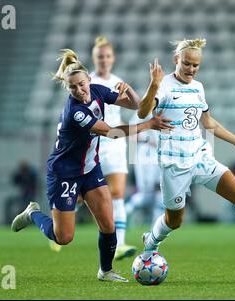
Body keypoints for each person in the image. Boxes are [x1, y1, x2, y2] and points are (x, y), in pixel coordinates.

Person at [11, 49, 173, 282]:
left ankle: (105, 271)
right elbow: (113, 133)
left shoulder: (98, 90)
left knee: (108, 224)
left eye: (81, 84)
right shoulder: (75, 113)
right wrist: (148, 126)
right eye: (73, 87)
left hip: (89, 169)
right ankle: (33, 213)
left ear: (89, 80)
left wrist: (132, 90)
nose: (79, 90)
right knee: (64, 237)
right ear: (68, 89)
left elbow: (139, 108)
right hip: (64, 173)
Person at [137, 38, 235, 270]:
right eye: (187, 64)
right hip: (174, 163)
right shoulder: (164, 86)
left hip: (200, 157)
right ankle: (151, 240)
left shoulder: (198, 87)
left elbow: (208, 122)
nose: (191, 69)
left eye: (196, 65)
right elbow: (142, 113)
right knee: (175, 221)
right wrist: (153, 85)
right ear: (176, 60)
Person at [87, 36, 137, 260]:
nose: (104, 60)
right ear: (93, 58)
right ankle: (58, 225)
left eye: (107, 56)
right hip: (93, 142)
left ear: (113, 58)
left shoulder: (118, 81)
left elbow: (136, 106)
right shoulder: (86, 81)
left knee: (117, 193)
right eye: (100, 57)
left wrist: (128, 91)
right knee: (81, 196)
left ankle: (120, 244)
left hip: (115, 141)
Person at [125, 112, 164, 226]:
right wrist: (148, 139)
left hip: (161, 156)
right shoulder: (143, 111)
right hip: (146, 157)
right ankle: (124, 212)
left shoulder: (168, 107)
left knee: (160, 190)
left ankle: (156, 225)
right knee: (147, 195)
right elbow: (131, 134)